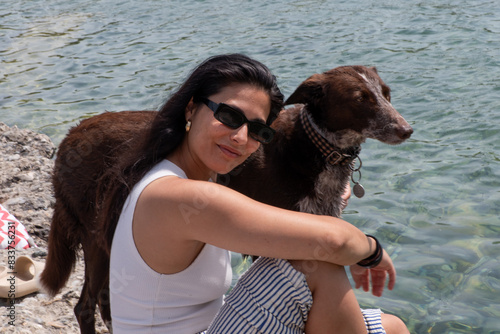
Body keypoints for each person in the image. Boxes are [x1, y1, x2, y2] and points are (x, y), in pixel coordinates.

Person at [99, 54, 409, 333]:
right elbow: (333, 241)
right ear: (191, 108)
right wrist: (370, 252)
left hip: (214, 327)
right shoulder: (178, 196)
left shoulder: (173, 175)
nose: (240, 137)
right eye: (229, 117)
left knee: (391, 327)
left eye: (257, 130)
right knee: (314, 263)